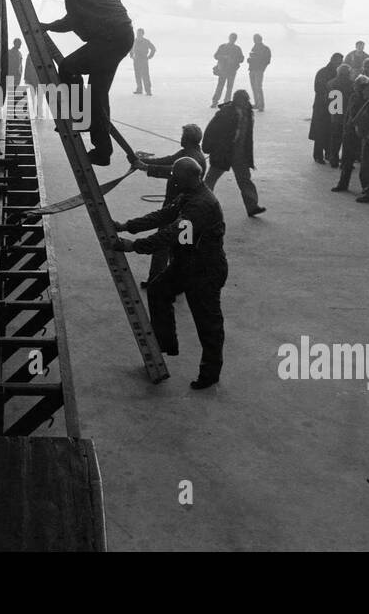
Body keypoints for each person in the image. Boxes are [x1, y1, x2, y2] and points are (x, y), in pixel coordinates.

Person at [112, 157, 227, 389]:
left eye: (177, 176)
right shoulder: (189, 194)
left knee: (208, 323)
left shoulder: (200, 205)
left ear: (191, 177)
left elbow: (171, 234)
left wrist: (134, 246)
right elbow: (164, 215)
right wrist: (127, 225)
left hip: (205, 270)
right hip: (187, 263)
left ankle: (210, 373)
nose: (173, 179)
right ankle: (165, 344)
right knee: (157, 290)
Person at [17, 0, 134, 166]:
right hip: (116, 37)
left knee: (69, 67)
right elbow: (73, 20)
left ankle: (80, 116)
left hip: (112, 38)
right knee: (97, 98)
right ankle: (102, 151)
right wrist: (49, 26)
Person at [134, 124, 207, 286]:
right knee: (181, 245)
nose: (180, 139)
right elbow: (168, 161)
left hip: (179, 208)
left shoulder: (190, 158)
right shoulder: (189, 154)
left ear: (187, 139)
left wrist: (146, 167)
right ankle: (178, 280)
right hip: (184, 208)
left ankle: (156, 279)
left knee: (163, 243)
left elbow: (171, 169)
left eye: (183, 137)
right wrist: (142, 162)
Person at [202, 89, 264, 217]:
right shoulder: (225, 113)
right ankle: (201, 203)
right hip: (223, 151)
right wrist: (208, 147)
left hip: (240, 153)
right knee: (211, 179)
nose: (245, 103)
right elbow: (211, 130)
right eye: (243, 101)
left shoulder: (247, 113)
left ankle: (252, 206)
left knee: (244, 180)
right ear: (237, 101)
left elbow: (247, 137)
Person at [331, 74, 369, 194]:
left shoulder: (366, 98)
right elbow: (348, 114)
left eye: (356, 84)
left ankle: (366, 187)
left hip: (359, 133)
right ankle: (343, 184)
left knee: (364, 163)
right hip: (350, 132)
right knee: (347, 161)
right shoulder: (354, 96)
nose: (354, 85)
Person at [309, 53, 344, 164]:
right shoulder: (323, 72)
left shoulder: (333, 73)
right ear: (332, 60)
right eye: (338, 61)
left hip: (331, 105)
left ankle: (329, 153)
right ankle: (318, 155)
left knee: (331, 131)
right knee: (321, 131)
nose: (339, 63)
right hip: (323, 106)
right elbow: (318, 89)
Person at [326, 63, 354, 168]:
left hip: (335, 113)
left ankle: (333, 159)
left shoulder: (330, 83)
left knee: (335, 138)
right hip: (346, 114)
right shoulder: (351, 84)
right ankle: (345, 162)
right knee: (347, 140)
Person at [211, 33, 244, 107]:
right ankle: (215, 102)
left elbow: (241, 59)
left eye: (234, 38)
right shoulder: (223, 47)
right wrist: (224, 57)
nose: (233, 39)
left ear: (235, 39)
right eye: (232, 38)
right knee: (220, 86)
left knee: (228, 87)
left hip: (232, 71)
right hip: (223, 70)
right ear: (229, 38)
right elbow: (216, 56)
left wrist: (234, 60)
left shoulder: (237, 49)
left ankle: (226, 102)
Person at [246, 33, 271, 111]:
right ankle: (257, 104)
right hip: (252, 69)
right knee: (254, 87)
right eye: (254, 39)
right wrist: (250, 60)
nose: (254, 40)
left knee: (258, 87)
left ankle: (261, 105)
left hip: (258, 70)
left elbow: (267, 60)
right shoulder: (254, 47)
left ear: (259, 39)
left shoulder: (265, 48)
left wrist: (261, 66)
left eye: (255, 39)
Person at [131, 27, 156, 96]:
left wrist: (149, 56)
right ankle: (139, 89)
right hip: (136, 60)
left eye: (140, 33)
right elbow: (130, 48)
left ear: (143, 34)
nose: (138, 34)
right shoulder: (134, 41)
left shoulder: (146, 41)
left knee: (145, 76)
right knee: (137, 75)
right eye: (137, 33)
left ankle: (148, 91)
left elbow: (153, 49)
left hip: (143, 60)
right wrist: (131, 55)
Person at [23, 49, 43, 119]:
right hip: (34, 79)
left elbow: (27, 67)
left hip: (38, 80)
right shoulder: (30, 55)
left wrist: (26, 78)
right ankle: (34, 114)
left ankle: (39, 114)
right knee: (33, 97)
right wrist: (26, 78)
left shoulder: (30, 55)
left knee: (38, 98)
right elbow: (27, 67)